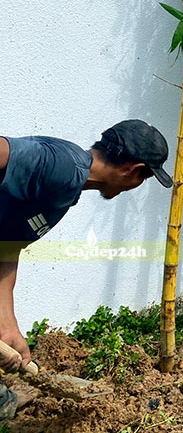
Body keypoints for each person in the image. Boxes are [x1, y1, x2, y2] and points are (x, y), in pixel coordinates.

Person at [0, 119, 173, 420]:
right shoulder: (62, 166)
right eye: (144, 179)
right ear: (133, 171)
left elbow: (6, 248)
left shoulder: (67, 189)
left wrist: (7, 323)